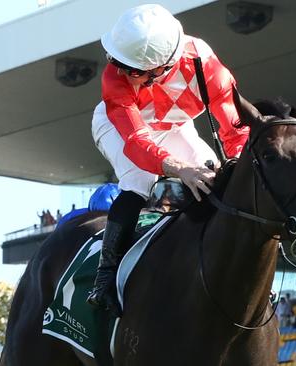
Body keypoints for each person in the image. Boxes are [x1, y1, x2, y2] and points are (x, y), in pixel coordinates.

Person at [86, 4, 249, 314]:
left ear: (163, 66)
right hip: (119, 126)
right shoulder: (115, 78)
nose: (120, 71)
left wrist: (237, 164)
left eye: (131, 69)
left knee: (213, 174)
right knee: (140, 181)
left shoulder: (207, 67)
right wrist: (178, 168)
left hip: (174, 124)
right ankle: (105, 278)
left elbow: (236, 128)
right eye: (115, 61)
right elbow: (137, 142)